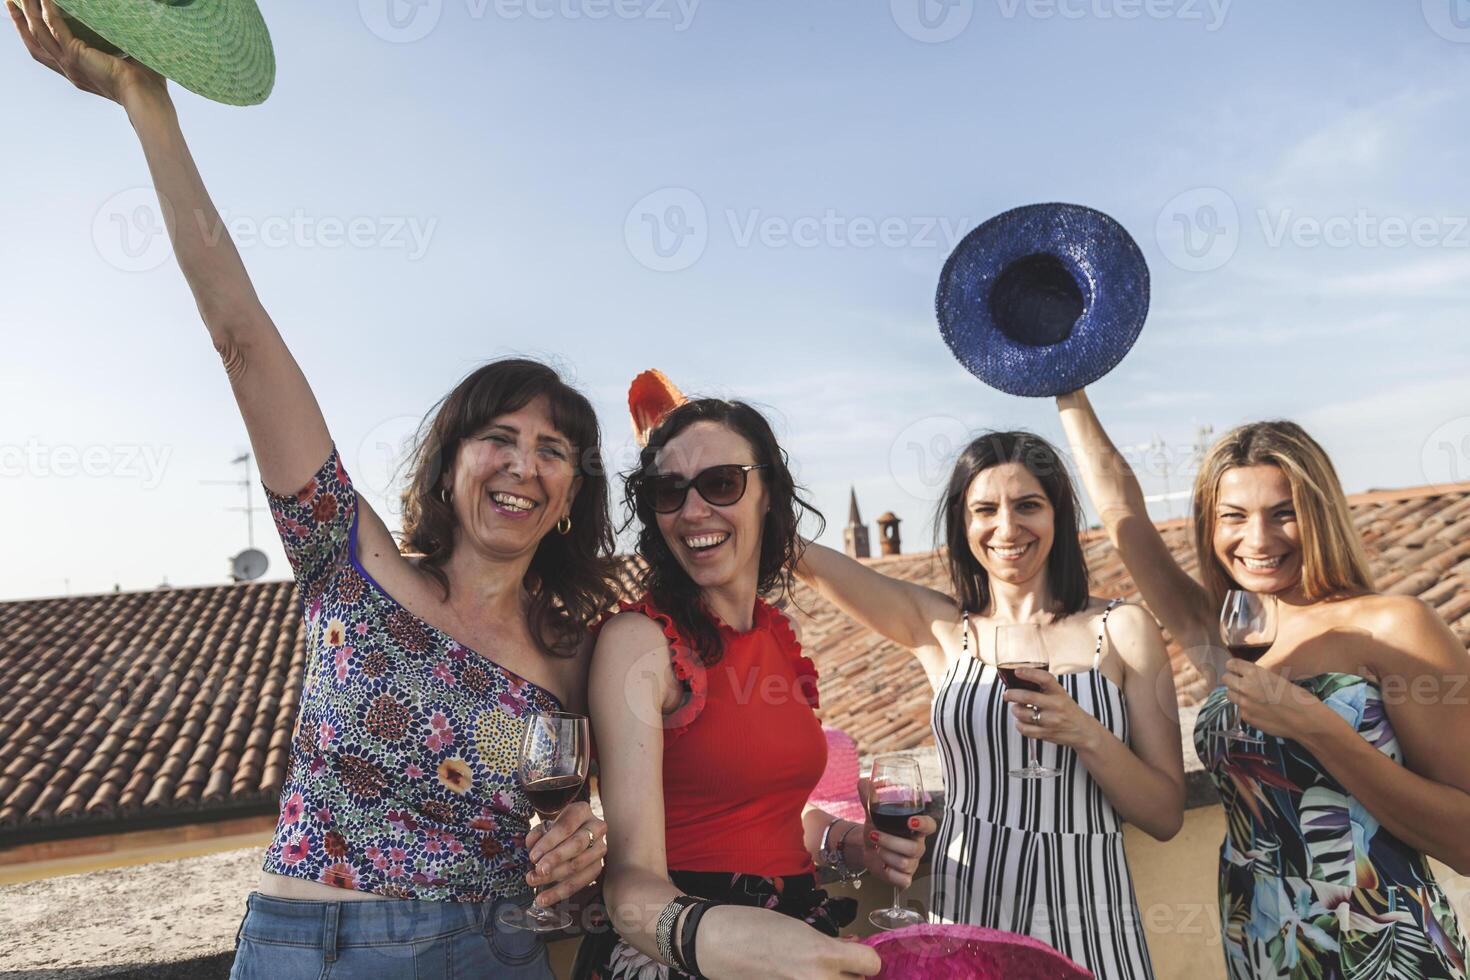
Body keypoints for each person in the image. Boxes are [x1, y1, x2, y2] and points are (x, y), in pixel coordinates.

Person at [10, 7, 612, 976]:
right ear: (449, 463)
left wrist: (585, 831)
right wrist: (144, 101)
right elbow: (239, 336)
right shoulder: (348, 554)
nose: (520, 463)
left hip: (491, 951)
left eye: (552, 448)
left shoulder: (576, 655)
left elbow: (595, 818)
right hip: (309, 948)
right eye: (495, 436)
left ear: (572, 492)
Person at [1056, 388, 1470, 979]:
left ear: (1320, 513)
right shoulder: (1226, 629)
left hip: (1384, 951)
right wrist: (1066, 382)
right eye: (1233, 516)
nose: (1257, 539)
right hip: (1262, 947)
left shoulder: (1396, 627)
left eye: (1283, 512)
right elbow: (1124, 513)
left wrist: (1317, 727)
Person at [798, 430, 1185, 979]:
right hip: (969, 909)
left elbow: (1166, 814)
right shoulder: (938, 627)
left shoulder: (1123, 630)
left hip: (1092, 917)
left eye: (1028, 505)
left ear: (1058, 514)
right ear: (963, 522)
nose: (1007, 527)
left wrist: (1087, 734)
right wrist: (721, 468)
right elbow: (803, 559)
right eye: (985, 509)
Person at [581, 399, 937, 980]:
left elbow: (766, 817)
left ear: (768, 493)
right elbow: (628, 883)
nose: (693, 510)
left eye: (720, 483)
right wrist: (722, 939)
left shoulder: (779, 636)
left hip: (797, 934)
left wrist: (852, 844)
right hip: (688, 951)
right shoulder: (640, 644)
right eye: (669, 491)